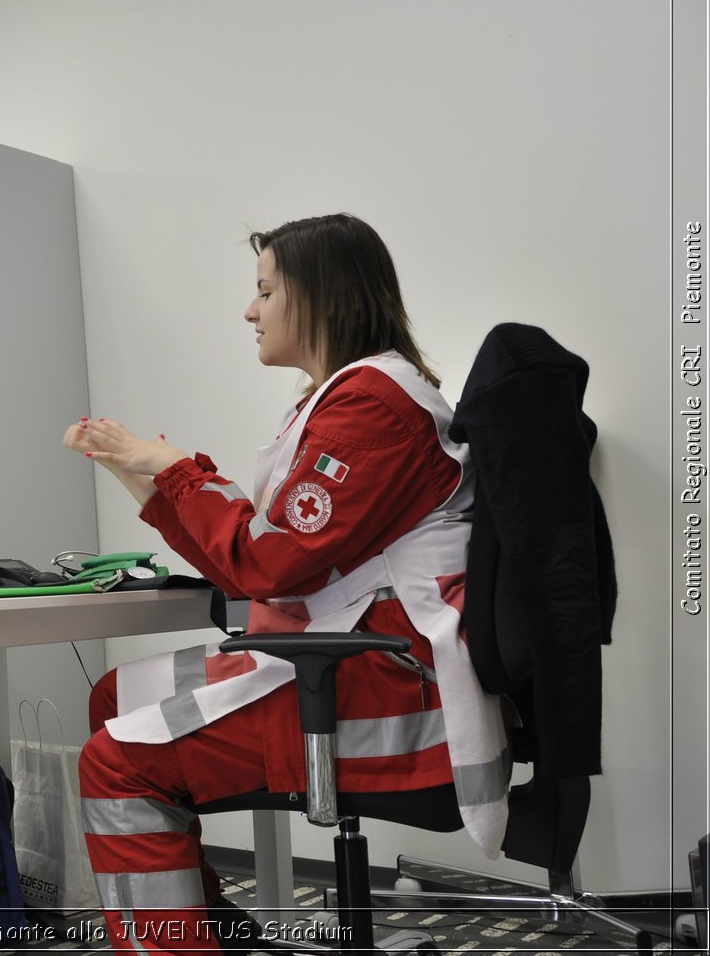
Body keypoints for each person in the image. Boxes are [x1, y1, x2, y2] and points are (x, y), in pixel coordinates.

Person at [63, 214, 509, 954]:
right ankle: (201, 927)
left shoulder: (375, 406)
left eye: (265, 290)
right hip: (354, 657)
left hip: (387, 687)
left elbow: (265, 563)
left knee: (116, 761)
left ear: (321, 296)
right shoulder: (339, 399)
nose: (250, 309)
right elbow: (259, 554)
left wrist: (172, 469)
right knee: (114, 698)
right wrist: (142, 471)